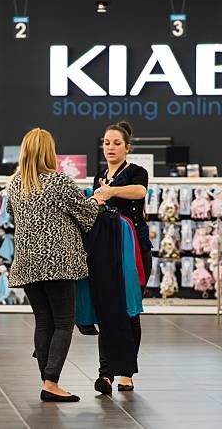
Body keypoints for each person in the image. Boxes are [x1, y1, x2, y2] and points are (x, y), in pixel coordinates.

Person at [6, 127, 104, 402]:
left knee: (43, 322)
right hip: (58, 262)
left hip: (26, 262)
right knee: (63, 322)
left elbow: (12, 214)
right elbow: (87, 215)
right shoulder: (58, 181)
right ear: (49, 151)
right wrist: (97, 199)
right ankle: (51, 383)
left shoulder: (15, 183)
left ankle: (47, 380)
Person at [93, 120, 150, 393]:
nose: (111, 147)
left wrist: (112, 191)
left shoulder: (136, 172)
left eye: (116, 143)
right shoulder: (100, 175)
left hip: (135, 248)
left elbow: (140, 192)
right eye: (107, 143)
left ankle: (126, 372)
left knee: (129, 310)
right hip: (106, 247)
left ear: (127, 147)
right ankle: (106, 374)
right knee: (106, 309)